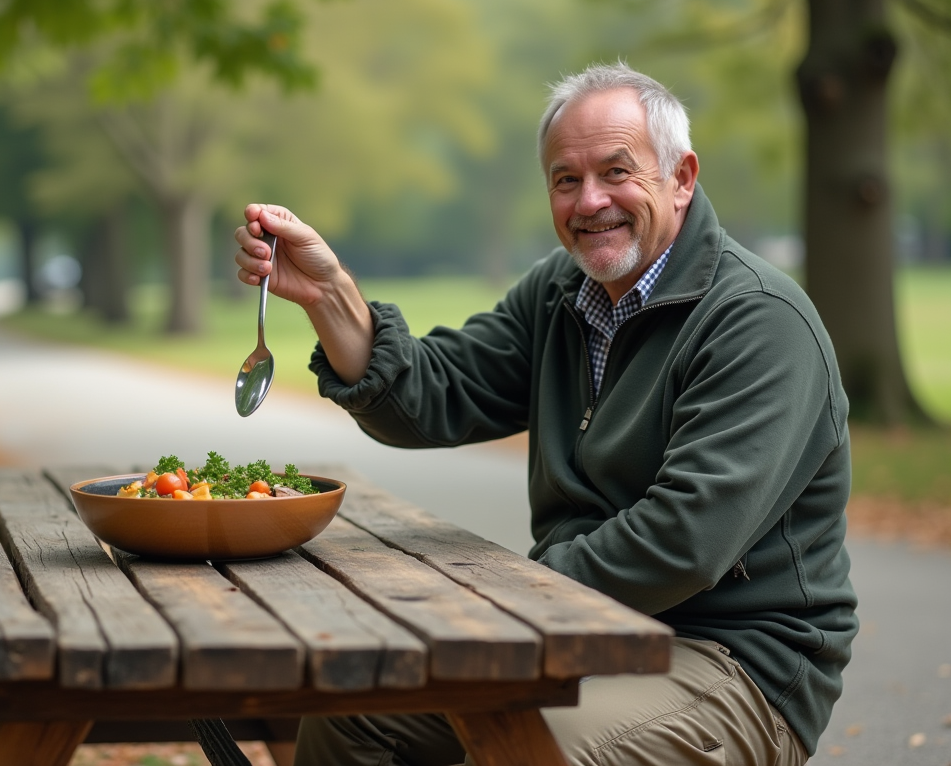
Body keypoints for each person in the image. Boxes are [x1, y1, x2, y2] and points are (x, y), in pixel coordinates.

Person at [234, 62, 857, 766]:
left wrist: (497, 600)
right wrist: (329, 295)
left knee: (516, 754)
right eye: (567, 180)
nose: (590, 201)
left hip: (731, 662)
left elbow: (684, 541)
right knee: (356, 718)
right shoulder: (562, 292)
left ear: (681, 178)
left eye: (616, 172)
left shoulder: (757, 322)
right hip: (571, 634)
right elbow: (435, 395)